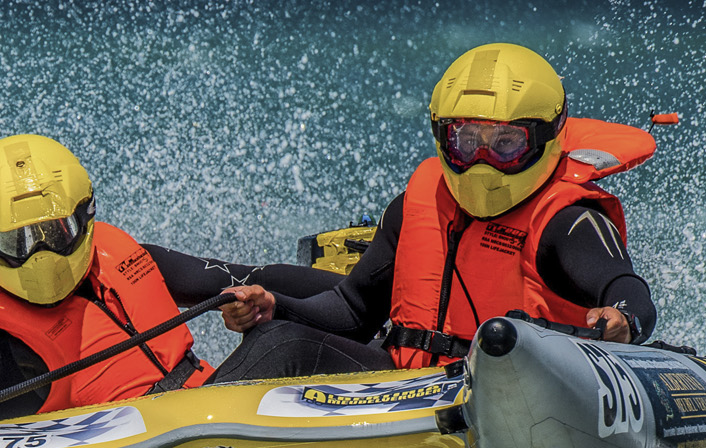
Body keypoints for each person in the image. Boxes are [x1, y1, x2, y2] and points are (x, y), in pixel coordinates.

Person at [221, 43, 661, 367]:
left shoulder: (566, 220)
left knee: (282, 342)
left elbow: (628, 292)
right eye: (466, 141)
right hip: (405, 391)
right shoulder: (420, 201)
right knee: (277, 336)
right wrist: (273, 306)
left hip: (515, 396)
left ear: (545, 136)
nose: (483, 162)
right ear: (443, 137)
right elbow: (354, 310)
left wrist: (622, 319)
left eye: (506, 144)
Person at [0, 135, 375, 422]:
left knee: (277, 332)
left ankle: (414, 368)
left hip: (204, 428)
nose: (45, 254)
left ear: (86, 215)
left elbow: (250, 277)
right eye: (20, 243)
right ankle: (410, 379)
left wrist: (366, 298)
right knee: (284, 345)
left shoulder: (118, 256)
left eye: (58, 232)